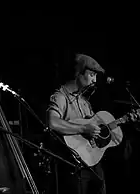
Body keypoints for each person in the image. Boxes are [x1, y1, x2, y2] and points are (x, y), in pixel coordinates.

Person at [46, 54, 107, 194]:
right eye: (92, 75)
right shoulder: (61, 97)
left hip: (93, 162)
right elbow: (52, 122)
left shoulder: (84, 101)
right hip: (74, 166)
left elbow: (94, 128)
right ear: (78, 73)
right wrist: (84, 128)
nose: (95, 80)